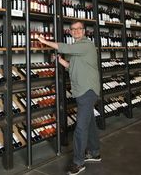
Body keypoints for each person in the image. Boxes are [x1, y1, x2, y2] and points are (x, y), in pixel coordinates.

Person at [38, 20, 101, 175]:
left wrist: (44, 41)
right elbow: (72, 66)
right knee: (90, 122)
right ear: (70, 32)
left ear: (84, 31)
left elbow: (65, 47)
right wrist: (60, 61)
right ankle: (95, 152)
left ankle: (78, 162)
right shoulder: (77, 50)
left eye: (79, 29)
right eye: (73, 29)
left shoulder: (87, 45)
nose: (76, 31)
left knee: (80, 127)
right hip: (81, 91)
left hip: (88, 91)